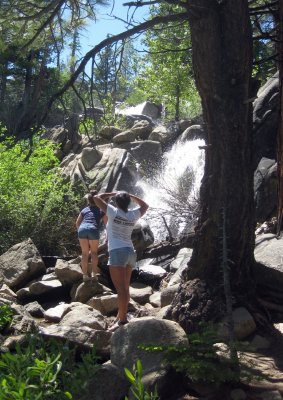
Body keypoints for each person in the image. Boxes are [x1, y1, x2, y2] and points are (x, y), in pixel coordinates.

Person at [93, 190, 149, 331]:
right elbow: (145, 205)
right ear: (128, 202)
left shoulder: (112, 212)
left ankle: (122, 321)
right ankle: (120, 315)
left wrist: (111, 193)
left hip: (117, 252)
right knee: (125, 287)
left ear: (116, 202)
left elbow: (96, 198)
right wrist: (132, 196)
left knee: (120, 289)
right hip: (130, 252)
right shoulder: (132, 214)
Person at [76, 190, 106, 282]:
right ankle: (94, 274)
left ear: (88, 201)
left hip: (82, 229)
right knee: (93, 253)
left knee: (84, 253)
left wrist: (80, 233)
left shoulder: (84, 210)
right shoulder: (101, 210)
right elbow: (106, 224)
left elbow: (77, 223)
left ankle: (84, 276)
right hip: (93, 228)